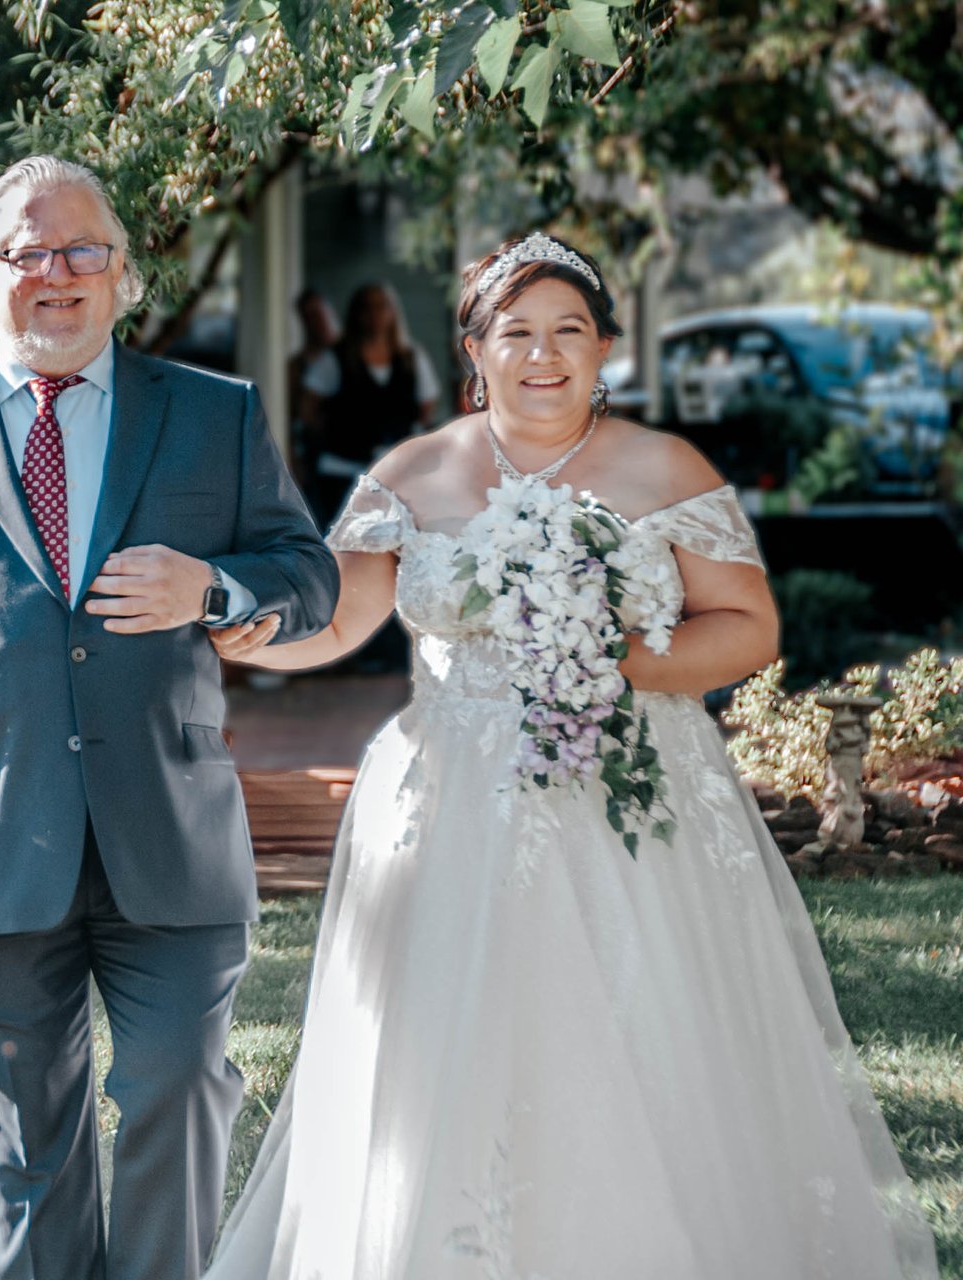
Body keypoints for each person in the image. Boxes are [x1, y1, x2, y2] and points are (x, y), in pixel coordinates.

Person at [201, 233, 939, 1278]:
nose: (542, 355)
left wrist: (613, 656)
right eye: (516, 334)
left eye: (568, 333)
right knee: (448, 1040)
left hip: (629, 790)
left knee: (635, 1022)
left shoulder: (661, 468)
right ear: (474, 349)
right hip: (448, 792)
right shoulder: (412, 472)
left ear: (601, 349)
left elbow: (747, 624)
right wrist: (256, 633)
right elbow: (339, 619)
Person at [0, 155, 339, 1280]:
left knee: (176, 1086)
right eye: (29, 253)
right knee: (21, 1152)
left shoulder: (214, 414)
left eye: (83, 249)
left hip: (170, 831)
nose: (58, 274)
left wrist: (213, 588)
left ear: (122, 273)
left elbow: (307, 572)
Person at [301, 281, 441, 526]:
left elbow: (427, 404)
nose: (374, 314)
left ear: (392, 312)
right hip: (342, 472)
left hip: (395, 473)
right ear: (356, 314)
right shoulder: (336, 358)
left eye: (381, 306)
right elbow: (308, 406)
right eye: (367, 308)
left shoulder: (410, 358)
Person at [286, 287, 340, 492]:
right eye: (308, 316)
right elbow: (290, 417)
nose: (316, 322)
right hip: (316, 455)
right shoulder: (297, 367)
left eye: (319, 313)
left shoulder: (350, 355)